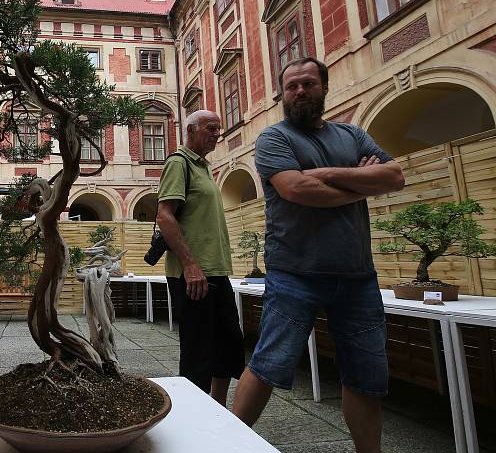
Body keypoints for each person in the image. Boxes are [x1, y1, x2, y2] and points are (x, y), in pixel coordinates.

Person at [231, 57, 405, 453]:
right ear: (282, 93)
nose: (299, 91)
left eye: (308, 83)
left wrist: (325, 173)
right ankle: (228, 443)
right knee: (268, 365)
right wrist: (362, 182)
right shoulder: (274, 139)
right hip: (295, 273)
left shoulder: (352, 134)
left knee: (365, 376)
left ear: (324, 87)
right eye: (291, 86)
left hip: (357, 276)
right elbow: (296, 190)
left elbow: (394, 176)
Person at [156, 110, 245, 405]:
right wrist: (191, 264)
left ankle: (217, 409)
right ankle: (194, 414)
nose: (217, 132)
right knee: (198, 353)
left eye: (219, 128)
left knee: (229, 344)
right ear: (191, 130)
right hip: (193, 274)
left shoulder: (204, 167)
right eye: (211, 128)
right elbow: (165, 217)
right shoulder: (179, 163)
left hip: (215, 271)